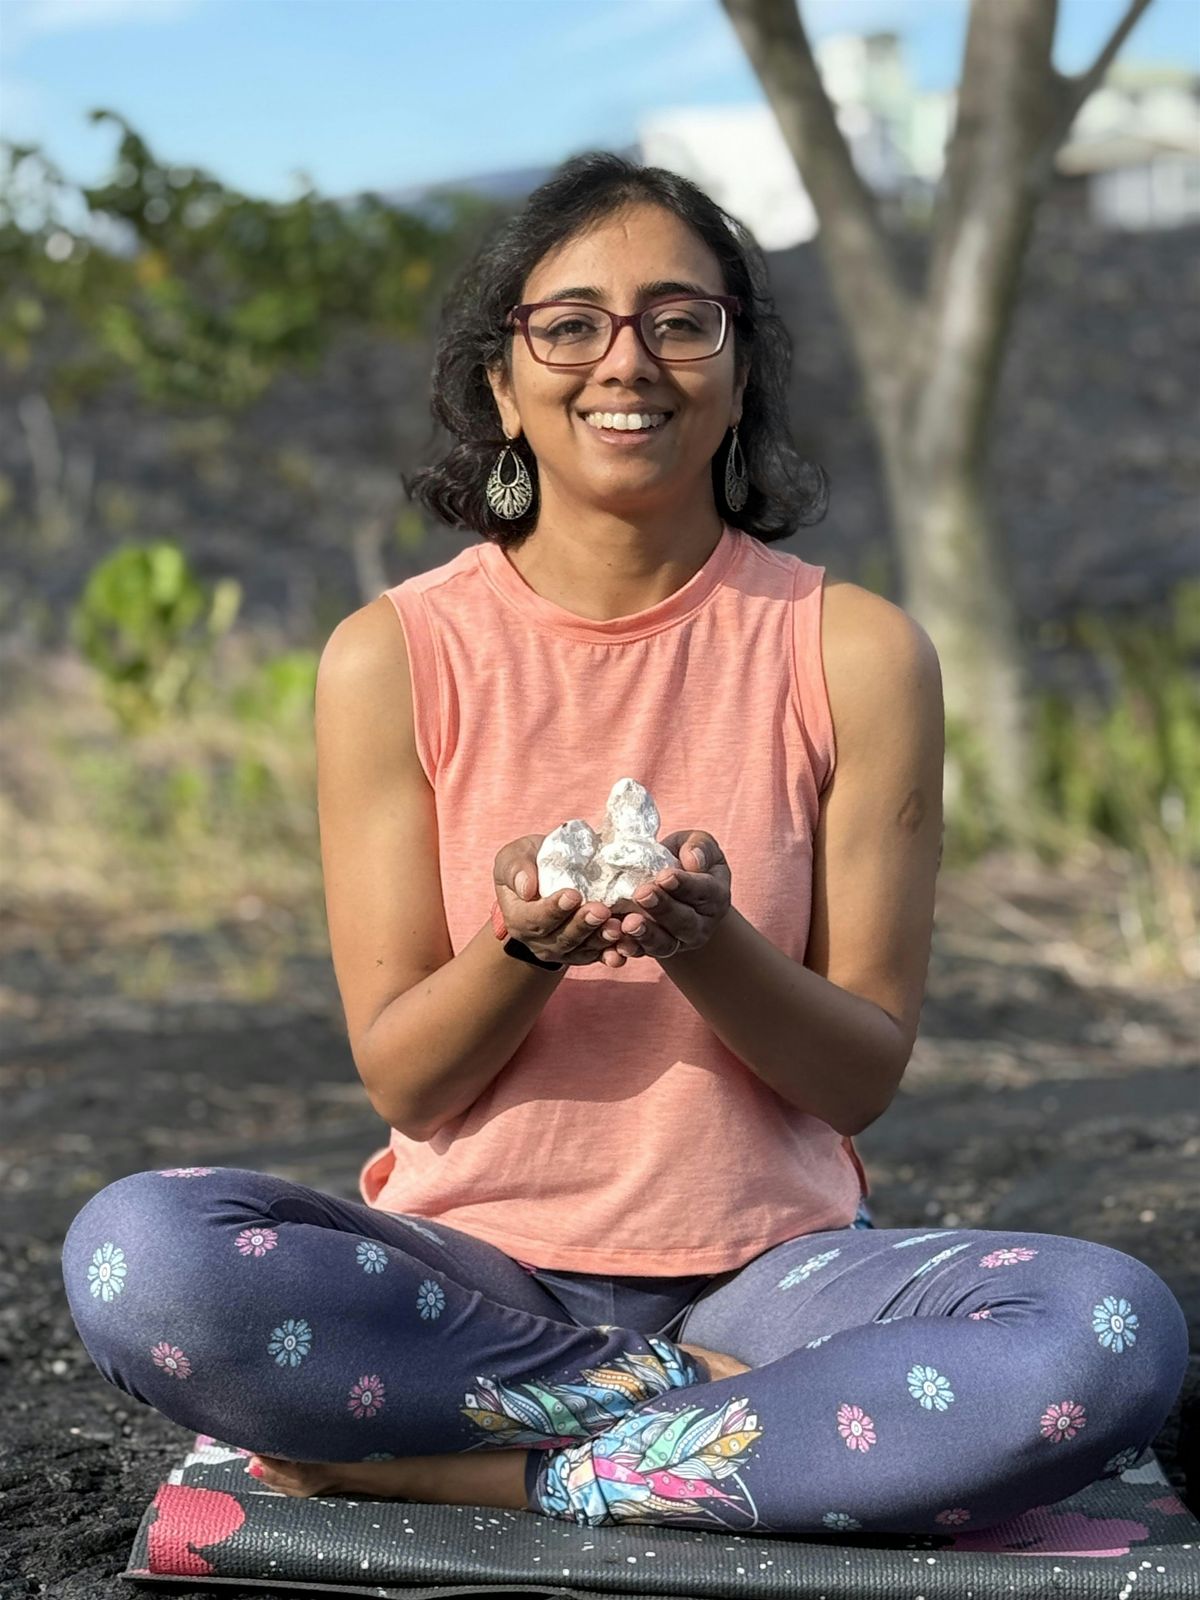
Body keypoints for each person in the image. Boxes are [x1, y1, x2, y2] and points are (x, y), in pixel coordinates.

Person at [62, 152, 1188, 1536]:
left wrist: (709, 949)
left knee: (1105, 1329)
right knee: (142, 1261)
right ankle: (720, 1431)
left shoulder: (854, 651)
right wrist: (526, 949)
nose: (628, 362)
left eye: (679, 319)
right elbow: (410, 1081)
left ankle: (513, 1473)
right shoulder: (394, 657)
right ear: (502, 384)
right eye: (572, 323)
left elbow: (862, 1075)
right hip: (468, 1288)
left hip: (769, 1295)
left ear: (736, 368)